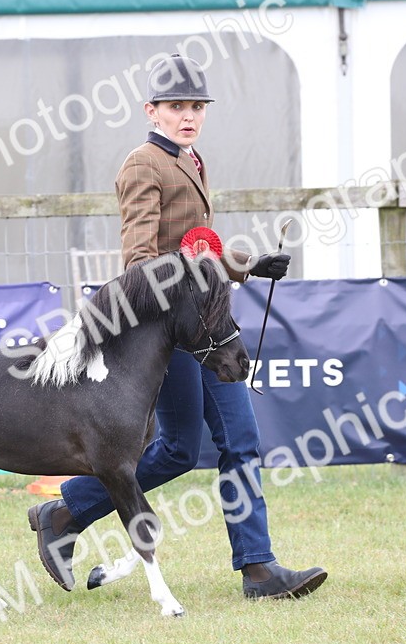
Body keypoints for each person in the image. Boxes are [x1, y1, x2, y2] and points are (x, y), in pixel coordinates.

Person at [28, 54, 328, 601]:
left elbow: (195, 246)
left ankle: (71, 511)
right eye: (176, 107)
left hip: (202, 323)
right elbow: (142, 260)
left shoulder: (191, 160)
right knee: (204, 445)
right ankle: (71, 512)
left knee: (212, 446)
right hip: (171, 330)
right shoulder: (144, 164)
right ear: (152, 110)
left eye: (196, 106)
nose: (187, 115)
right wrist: (219, 270)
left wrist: (247, 262)